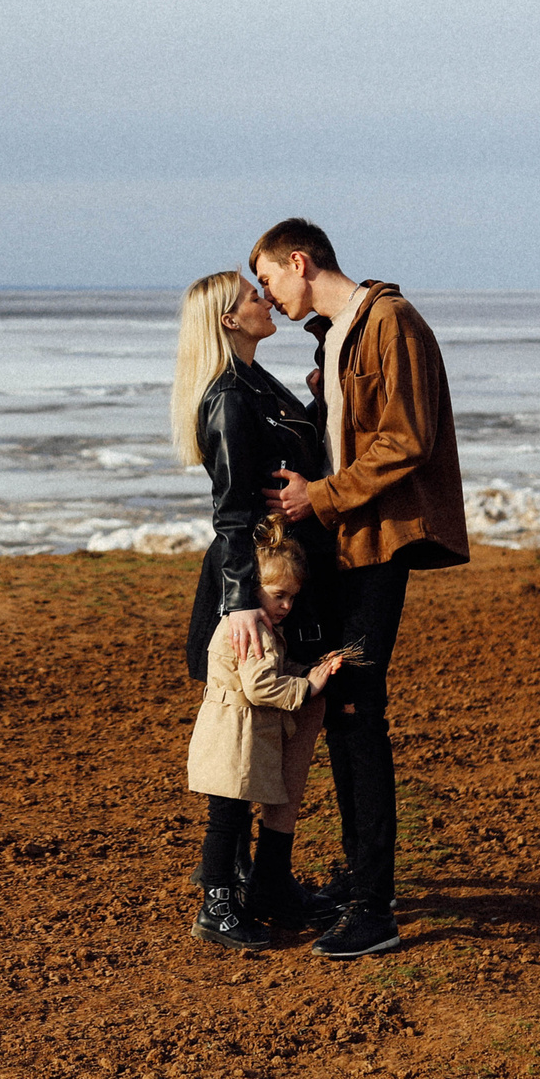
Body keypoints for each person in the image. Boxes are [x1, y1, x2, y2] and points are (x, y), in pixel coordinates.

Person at [252, 218, 469, 959]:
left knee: (356, 712)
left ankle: (375, 907)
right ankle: (360, 882)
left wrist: (323, 494)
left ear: (300, 262)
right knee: (347, 713)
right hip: (351, 546)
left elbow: (408, 438)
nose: (267, 294)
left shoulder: (390, 320)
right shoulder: (341, 334)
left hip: (379, 544)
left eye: (270, 277)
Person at [171, 270, 340, 930]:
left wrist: (320, 403)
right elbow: (231, 513)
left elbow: (306, 464)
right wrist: (242, 601)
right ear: (227, 320)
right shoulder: (228, 399)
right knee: (240, 739)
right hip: (254, 588)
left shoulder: (258, 384)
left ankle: (266, 883)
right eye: (251, 295)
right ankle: (221, 897)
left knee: (280, 736)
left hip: (281, 579)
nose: (264, 299)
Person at [184, 518, 344, 949]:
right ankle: (215, 908)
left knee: (231, 820)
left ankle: (224, 901)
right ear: (253, 588)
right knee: (226, 823)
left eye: (293, 596)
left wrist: (307, 671)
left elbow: (267, 673)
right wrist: (307, 687)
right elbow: (260, 685)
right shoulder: (253, 632)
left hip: (234, 737)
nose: (287, 606)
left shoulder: (262, 628)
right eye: (279, 595)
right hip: (232, 739)